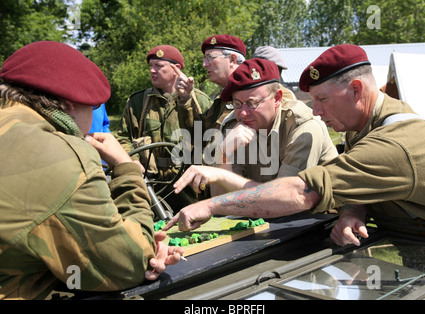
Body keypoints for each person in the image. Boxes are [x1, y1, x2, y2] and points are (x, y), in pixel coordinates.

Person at [164, 44, 425, 271]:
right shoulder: (362, 126)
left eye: (323, 100)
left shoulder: (392, 141)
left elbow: (299, 193)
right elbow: (356, 182)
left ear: (356, 90)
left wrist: (211, 205)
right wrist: (352, 211)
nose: (316, 111)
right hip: (421, 250)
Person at [0, 41, 183, 300]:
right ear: (71, 104)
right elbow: (127, 264)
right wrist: (127, 168)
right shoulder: (63, 154)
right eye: (94, 106)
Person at [173, 58, 337, 197]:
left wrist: (221, 176)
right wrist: (223, 155)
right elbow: (221, 201)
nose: (243, 113)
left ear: (277, 98)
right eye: (237, 104)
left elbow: (284, 197)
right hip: (265, 219)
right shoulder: (234, 127)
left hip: (320, 221)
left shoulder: (303, 126)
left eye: (252, 103)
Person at [115, 44, 211, 212]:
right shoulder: (138, 102)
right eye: (150, 66)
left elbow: (211, 141)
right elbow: (122, 137)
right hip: (152, 183)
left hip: (188, 183)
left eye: (158, 66)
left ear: (177, 69)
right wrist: (133, 162)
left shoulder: (199, 101)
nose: (152, 70)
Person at [174, 34, 247, 135]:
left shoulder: (252, 96)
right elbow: (200, 137)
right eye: (205, 58)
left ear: (232, 60)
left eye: (210, 57)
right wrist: (185, 98)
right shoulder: (223, 97)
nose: (204, 64)